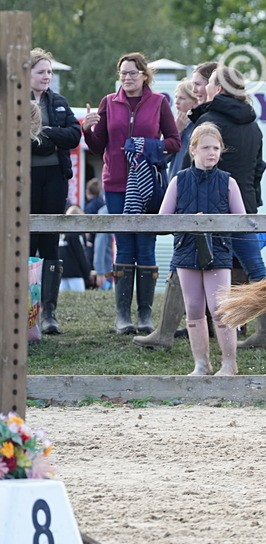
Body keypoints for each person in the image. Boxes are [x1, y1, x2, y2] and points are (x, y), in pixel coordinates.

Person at [82, 52, 180, 334]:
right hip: (116, 184)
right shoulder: (108, 103)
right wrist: (88, 131)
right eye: (123, 73)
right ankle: (122, 315)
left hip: (148, 185)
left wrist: (146, 145)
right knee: (124, 245)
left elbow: (174, 141)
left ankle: (145, 315)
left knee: (145, 246)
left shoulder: (159, 102)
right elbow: (99, 146)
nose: (127, 78)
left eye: (133, 73)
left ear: (144, 76)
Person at [190, 65, 266, 348]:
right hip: (245, 204)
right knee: (253, 269)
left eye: (209, 82)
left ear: (219, 89)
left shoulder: (209, 121)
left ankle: (178, 331)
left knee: (193, 263)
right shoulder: (253, 124)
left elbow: (198, 167)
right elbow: (259, 167)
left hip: (211, 206)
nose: (206, 87)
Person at [159, 123, 243, 376]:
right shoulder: (179, 180)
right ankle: (201, 363)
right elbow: (163, 219)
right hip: (186, 250)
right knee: (194, 306)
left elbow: (241, 220)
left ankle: (229, 363)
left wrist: (214, 222)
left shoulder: (228, 182)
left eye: (216, 148)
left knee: (220, 306)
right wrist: (188, 221)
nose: (212, 153)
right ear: (193, 149)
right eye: (206, 147)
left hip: (218, 251)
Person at [135, 78, 205, 349]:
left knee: (183, 261)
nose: (176, 103)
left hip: (188, 199)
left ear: (193, 101)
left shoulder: (197, 129)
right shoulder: (182, 129)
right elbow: (166, 159)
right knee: (186, 262)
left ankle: (168, 330)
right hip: (178, 195)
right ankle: (182, 324)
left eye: (181, 98)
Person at [28, 48, 82, 335]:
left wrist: (45, 135)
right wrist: (40, 141)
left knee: (49, 242)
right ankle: (26, 312)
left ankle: (49, 312)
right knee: (26, 244)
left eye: (49, 72)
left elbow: (74, 134)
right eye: (41, 71)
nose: (47, 76)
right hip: (24, 180)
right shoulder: (13, 101)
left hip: (54, 179)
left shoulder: (59, 102)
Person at [58, 206, 93, 292]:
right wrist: (86, 273)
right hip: (76, 274)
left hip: (61, 274)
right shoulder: (76, 234)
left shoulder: (60, 233)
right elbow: (80, 255)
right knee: (79, 298)